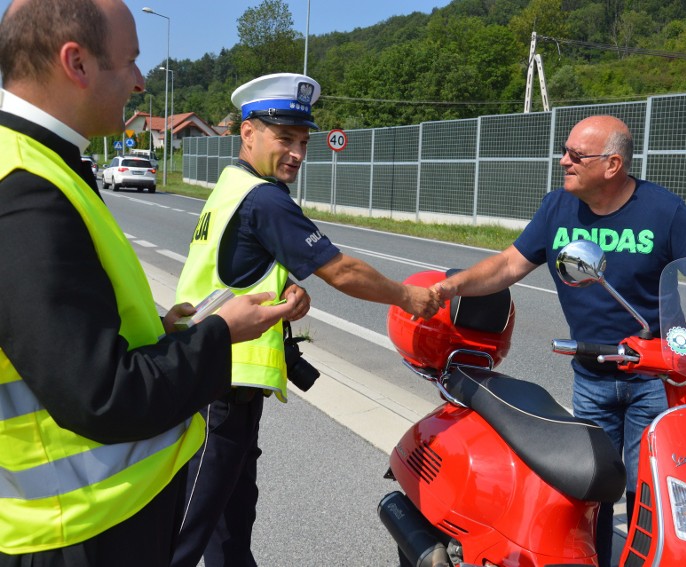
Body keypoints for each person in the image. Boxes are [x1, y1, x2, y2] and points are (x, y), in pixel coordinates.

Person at [0, 1, 299, 565]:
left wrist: (157, 335)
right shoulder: (24, 189)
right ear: (77, 63)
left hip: (88, 519)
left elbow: (58, 342)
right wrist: (217, 335)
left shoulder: (41, 164)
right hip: (75, 531)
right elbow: (100, 395)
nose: (140, 81)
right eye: (131, 62)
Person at [171, 72, 443, 567]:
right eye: (284, 139)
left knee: (230, 526)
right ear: (247, 133)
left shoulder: (232, 186)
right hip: (222, 381)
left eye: (303, 141)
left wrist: (286, 292)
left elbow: (235, 269)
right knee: (190, 529)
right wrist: (407, 295)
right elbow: (341, 270)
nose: (297, 152)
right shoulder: (266, 198)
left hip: (215, 372)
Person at [431, 115, 686, 567]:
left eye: (575, 156)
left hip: (656, 378)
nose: (562, 161)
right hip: (591, 376)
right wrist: (451, 287)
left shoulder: (663, 210)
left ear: (612, 164)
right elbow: (509, 265)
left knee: (651, 491)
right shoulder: (556, 209)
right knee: (592, 489)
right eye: (564, 151)